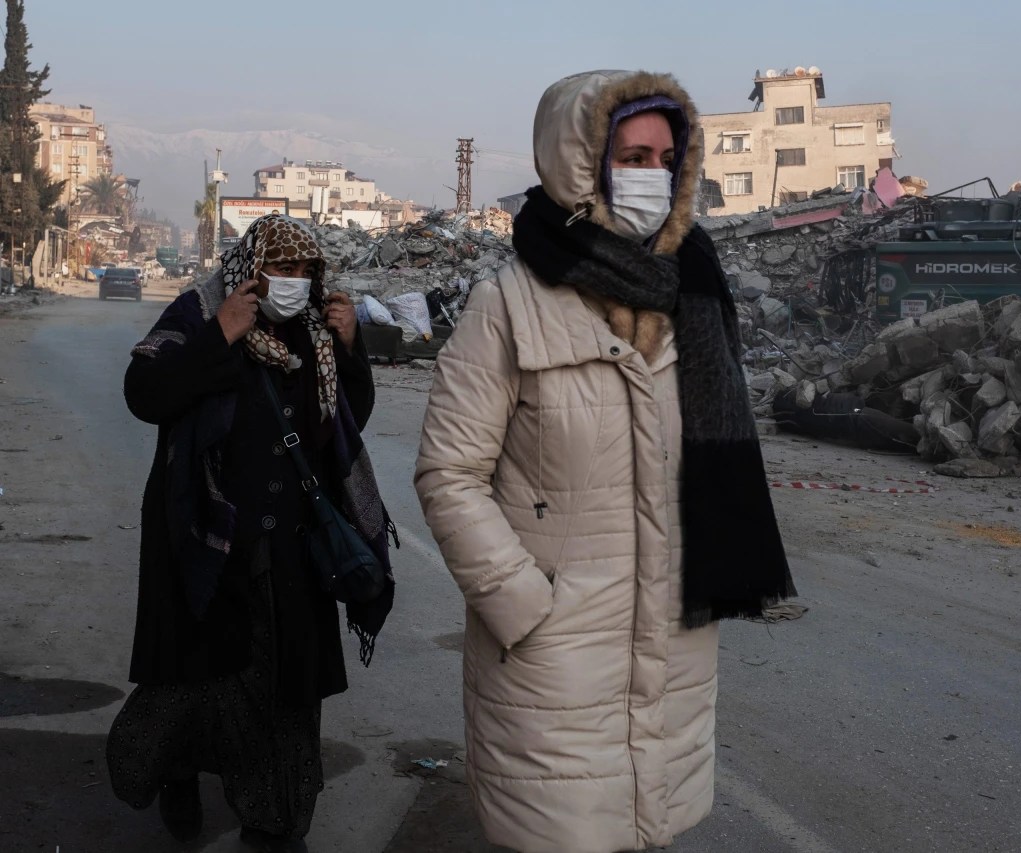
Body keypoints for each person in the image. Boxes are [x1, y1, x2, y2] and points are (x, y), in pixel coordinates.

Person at [414, 70, 795, 853]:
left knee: (650, 829)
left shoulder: (696, 294)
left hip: (674, 655)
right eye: (630, 154)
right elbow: (448, 474)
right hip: (554, 665)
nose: (651, 173)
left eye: (664, 156)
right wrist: (525, 604)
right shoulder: (510, 304)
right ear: (580, 163)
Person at [107, 213, 395, 853]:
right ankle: (177, 772)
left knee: (286, 693)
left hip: (291, 551)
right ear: (251, 268)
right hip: (206, 541)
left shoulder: (316, 333)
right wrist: (220, 337)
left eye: (304, 272)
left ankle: (275, 819)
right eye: (281, 269)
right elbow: (144, 392)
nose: (292, 283)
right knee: (194, 680)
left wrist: (351, 355)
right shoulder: (199, 310)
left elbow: (344, 427)